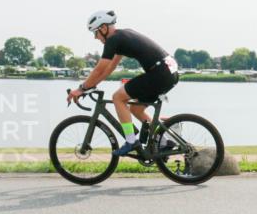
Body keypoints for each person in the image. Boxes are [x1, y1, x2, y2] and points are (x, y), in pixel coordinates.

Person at [68, 10, 179, 156]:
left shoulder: (113, 40)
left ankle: (131, 141)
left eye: (95, 33)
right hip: (169, 71)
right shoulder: (122, 36)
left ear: (103, 28)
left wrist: (81, 88)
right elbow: (109, 68)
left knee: (118, 97)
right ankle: (164, 142)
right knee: (136, 110)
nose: (95, 37)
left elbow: (99, 68)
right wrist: (92, 86)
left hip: (160, 72)